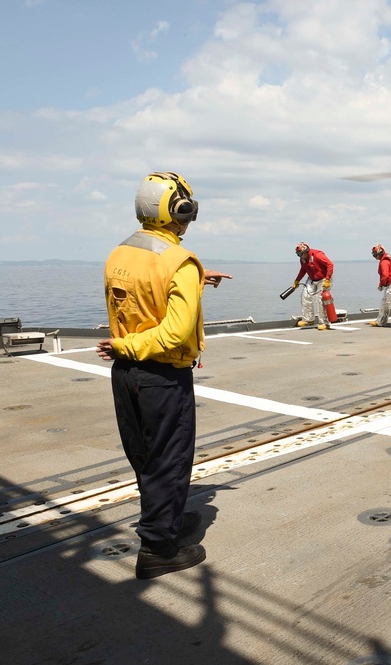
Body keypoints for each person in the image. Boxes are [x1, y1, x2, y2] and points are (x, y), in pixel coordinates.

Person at [95, 171, 232, 580]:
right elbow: (174, 331)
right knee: (169, 460)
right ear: (180, 211)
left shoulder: (121, 252)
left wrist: (196, 283)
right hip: (162, 377)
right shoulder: (179, 262)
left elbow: (144, 292)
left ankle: (167, 519)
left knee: (145, 455)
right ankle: (158, 548)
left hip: (126, 377)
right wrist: (126, 345)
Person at [293, 242, 334, 330]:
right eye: (299, 255)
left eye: (301, 254)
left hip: (324, 278)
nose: (301, 256)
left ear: (306, 251)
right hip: (312, 279)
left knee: (320, 300)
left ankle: (324, 322)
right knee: (305, 296)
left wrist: (327, 279)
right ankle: (308, 319)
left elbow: (330, 265)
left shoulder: (317, 255)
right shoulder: (303, 259)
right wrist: (297, 280)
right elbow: (303, 269)